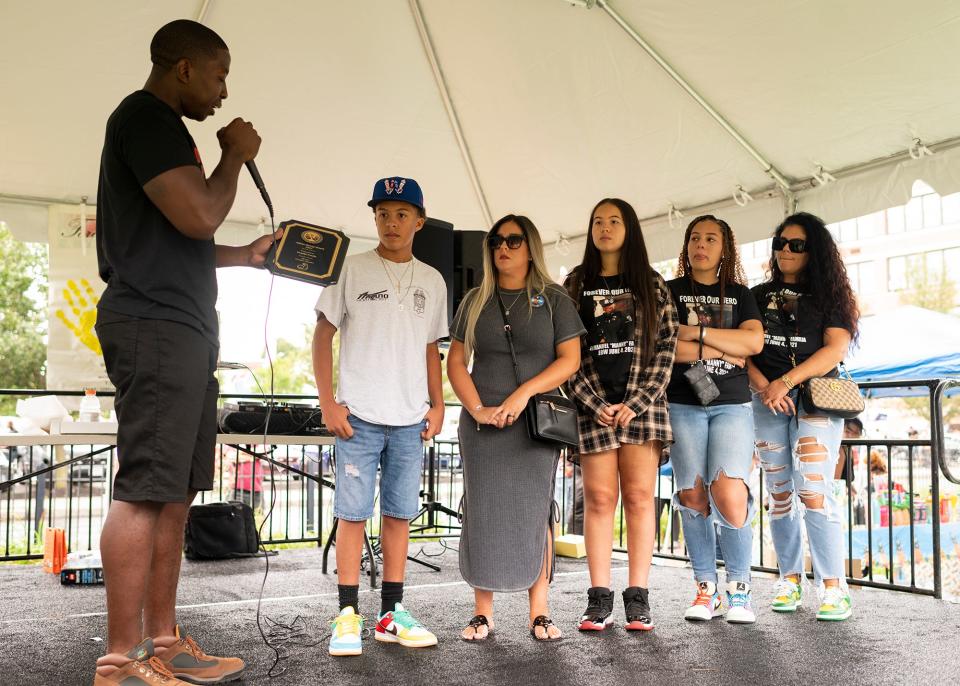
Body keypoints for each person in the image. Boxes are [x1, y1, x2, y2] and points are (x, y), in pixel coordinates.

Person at [93, 19, 278, 685]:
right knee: (145, 490)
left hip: (185, 328)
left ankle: (163, 645)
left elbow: (184, 238)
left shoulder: (166, 132)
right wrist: (234, 154)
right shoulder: (145, 118)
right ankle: (121, 659)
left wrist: (245, 258)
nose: (224, 93)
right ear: (183, 68)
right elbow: (199, 215)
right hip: (155, 326)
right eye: (220, 74)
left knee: (174, 494)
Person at [313, 176, 447, 656]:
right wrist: (328, 401)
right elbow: (322, 335)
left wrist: (438, 402)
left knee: (398, 515)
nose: (392, 222)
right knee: (352, 515)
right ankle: (347, 615)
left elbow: (432, 348)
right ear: (374, 217)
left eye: (402, 214)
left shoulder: (432, 280)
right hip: (359, 416)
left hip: (410, 418)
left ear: (419, 221)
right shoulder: (352, 269)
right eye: (383, 213)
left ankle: (391, 614)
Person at [447, 214, 583, 641]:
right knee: (482, 509)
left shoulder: (555, 299)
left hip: (533, 426)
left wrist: (522, 395)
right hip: (482, 426)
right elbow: (455, 361)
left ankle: (539, 611)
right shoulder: (474, 300)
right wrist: (477, 409)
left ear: (530, 246)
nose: (502, 247)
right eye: (496, 241)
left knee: (536, 510)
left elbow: (570, 360)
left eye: (513, 240)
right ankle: (482, 612)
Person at [564, 198, 679, 632]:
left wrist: (636, 403)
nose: (605, 228)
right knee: (598, 500)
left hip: (642, 409)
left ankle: (638, 596)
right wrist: (595, 403)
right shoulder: (575, 284)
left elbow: (667, 348)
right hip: (593, 406)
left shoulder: (651, 284)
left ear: (629, 228)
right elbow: (566, 352)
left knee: (638, 498)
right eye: (597, 221)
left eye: (614, 221)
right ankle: (598, 598)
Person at [747, 212, 860, 622]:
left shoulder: (830, 297)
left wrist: (787, 381)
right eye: (780, 243)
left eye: (796, 244)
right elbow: (743, 352)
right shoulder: (756, 296)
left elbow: (835, 350)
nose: (785, 251)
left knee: (813, 488)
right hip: (767, 402)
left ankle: (834, 586)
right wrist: (766, 388)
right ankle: (789, 578)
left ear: (815, 251)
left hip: (815, 400)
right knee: (779, 494)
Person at [665, 215, 764, 623]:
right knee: (692, 495)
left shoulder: (741, 294)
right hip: (683, 402)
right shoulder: (668, 291)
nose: (700, 245)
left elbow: (753, 341)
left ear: (725, 249)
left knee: (729, 493)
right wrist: (725, 350)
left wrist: (699, 336)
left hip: (732, 404)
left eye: (710, 239)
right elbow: (666, 347)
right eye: (694, 238)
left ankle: (740, 589)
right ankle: (707, 590)